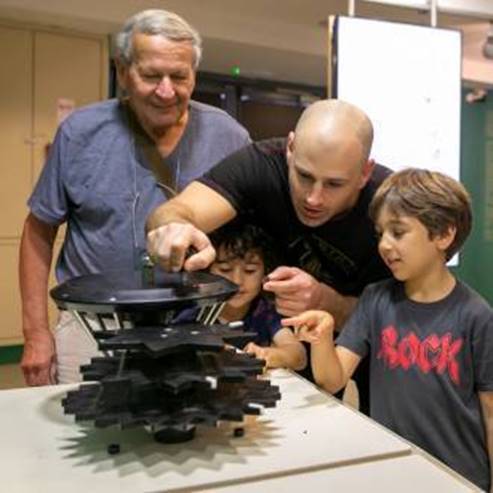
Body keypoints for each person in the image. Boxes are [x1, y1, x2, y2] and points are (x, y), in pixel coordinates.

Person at [19, 9, 250, 386]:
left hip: (196, 321)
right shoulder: (81, 133)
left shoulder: (230, 137)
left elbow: (254, 235)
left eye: (179, 76)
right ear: (123, 70)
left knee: (193, 437)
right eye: (150, 75)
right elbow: (37, 233)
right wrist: (36, 333)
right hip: (92, 323)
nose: (166, 90)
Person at [146, 99, 392, 413]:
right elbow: (178, 211)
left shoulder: (387, 202)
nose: (314, 198)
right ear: (290, 148)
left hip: (366, 347)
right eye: (303, 176)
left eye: (334, 184)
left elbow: (401, 317)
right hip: (283, 352)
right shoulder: (261, 163)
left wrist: (326, 302)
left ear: (364, 172)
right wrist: (171, 229)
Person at [284, 168, 493, 492]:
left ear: (443, 235)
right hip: (390, 472)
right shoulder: (375, 300)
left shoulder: (476, 316)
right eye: (381, 233)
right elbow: (332, 379)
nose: (384, 244)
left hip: (459, 479)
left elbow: (490, 411)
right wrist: (323, 338)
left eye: (398, 232)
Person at [176, 221, 306, 370]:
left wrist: (267, 354)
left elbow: (299, 356)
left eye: (250, 270)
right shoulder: (195, 313)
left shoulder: (264, 311)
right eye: (225, 269)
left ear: (266, 273)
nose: (237, 281)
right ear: (206, 272)